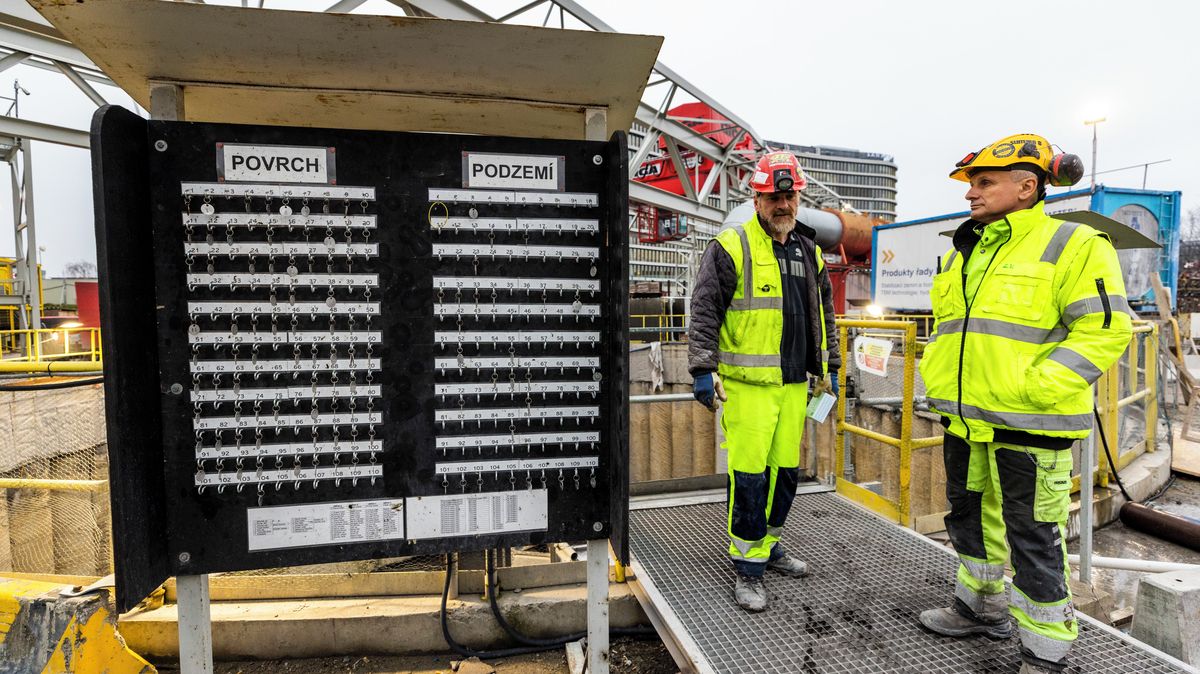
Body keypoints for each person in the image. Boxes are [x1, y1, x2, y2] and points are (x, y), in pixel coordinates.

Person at [918, 133, 1132, 674]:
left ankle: (1045, 651)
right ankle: (980, 607)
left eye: (984, 182)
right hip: (967, 419)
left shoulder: (1076, 245)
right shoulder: (966, 251)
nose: (972, 194)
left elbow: (1106, 330)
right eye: (971, 184)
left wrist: (1036, 386)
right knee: (969, 518)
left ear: (1027, 185)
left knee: (1033, 537)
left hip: (1031, 423)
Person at [687, 151, 839, 612]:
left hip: (795, 385)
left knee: (784, 476)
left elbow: (824, 314)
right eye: (774, 195)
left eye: (790, 195)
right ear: (756, 197)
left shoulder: (809, 251)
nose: (783, 204)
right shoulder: (732, 244)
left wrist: (830, 372)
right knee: (750, 477)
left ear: (799, 197)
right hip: (748, 386)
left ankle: (770, 544)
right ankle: (747, 565)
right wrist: (701, 368)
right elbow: (705, 307)